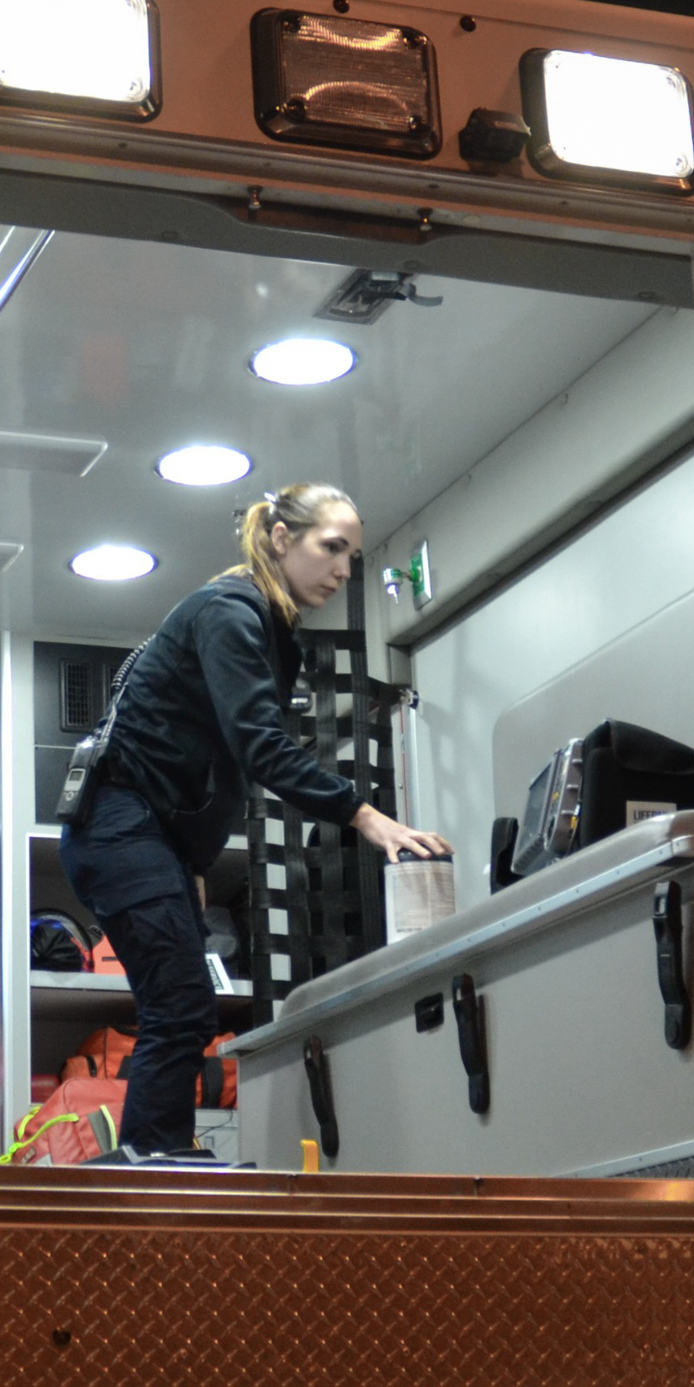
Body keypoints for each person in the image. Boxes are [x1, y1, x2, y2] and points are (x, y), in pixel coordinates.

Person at [59, 482, 450, 1166]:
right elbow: (259, 749)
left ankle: (160, 1156)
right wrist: (365, 816)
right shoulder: (230, 614)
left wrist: (193, 866)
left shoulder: (269, 631)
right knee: (179, 1006)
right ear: (279, 539)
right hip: (120, 826)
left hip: (151, 836)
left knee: (183, 1005)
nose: (342, 570)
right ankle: (152, 1163)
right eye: (331, 548)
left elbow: (199, 754)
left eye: (352, 557)